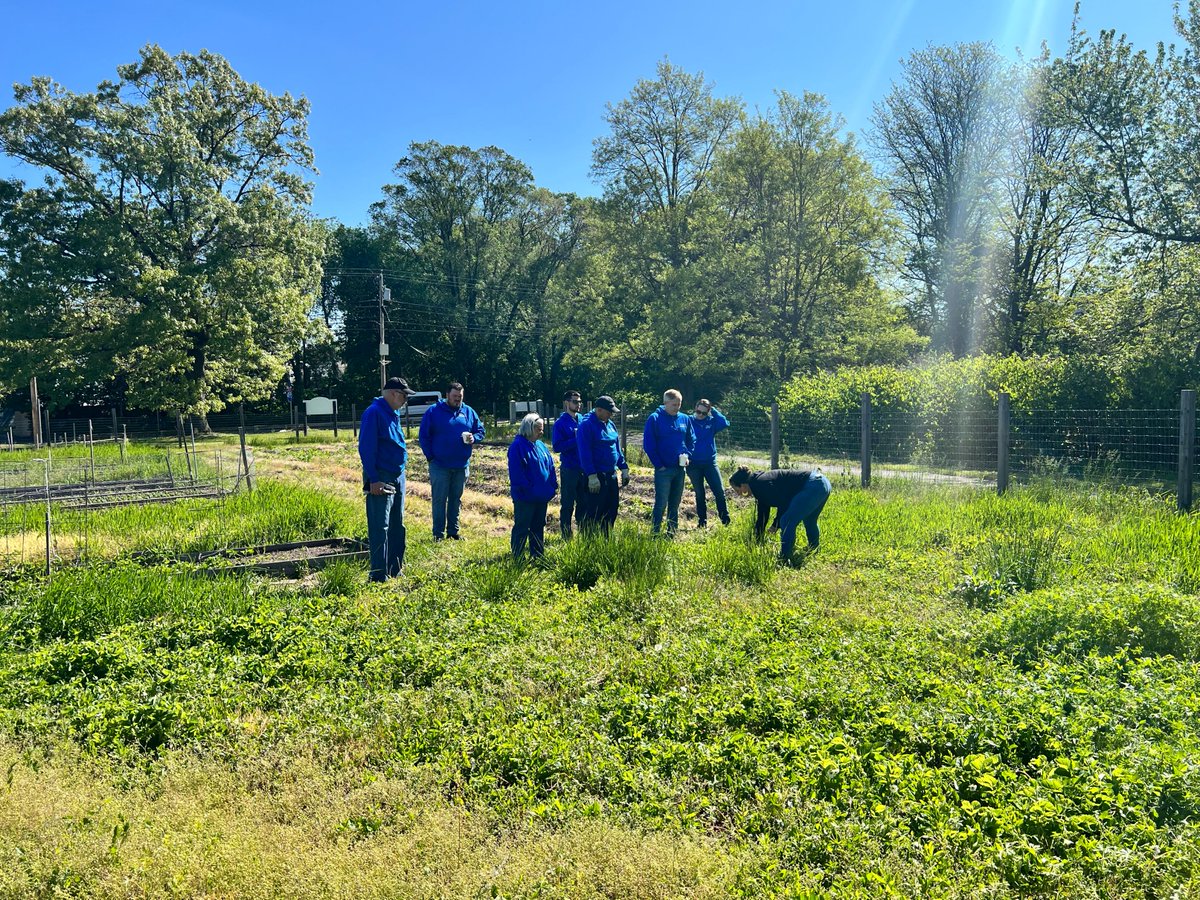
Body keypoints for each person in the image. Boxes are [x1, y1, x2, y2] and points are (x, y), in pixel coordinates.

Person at [358, 376, 417, 582]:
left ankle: (395, 568)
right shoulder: (374, 413)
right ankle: (378, 574)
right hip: (381, 477)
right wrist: (373, 479)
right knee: (379, 526)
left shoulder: (393, 413)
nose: (405, 400)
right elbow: (366, 449)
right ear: (393, 393)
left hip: (397, 475)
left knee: (396, 524)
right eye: (404, 396)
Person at [418, 381, 485, 541]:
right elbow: (424, 436)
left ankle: (453, 532)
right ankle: (438, 534)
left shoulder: (468, 412)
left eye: (460, 397)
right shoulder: (434, 411)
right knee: (439, 500)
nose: (457, 400)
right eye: (455, 396)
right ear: (447, 395)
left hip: (461, 465)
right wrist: (431, 456)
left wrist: (473, 438)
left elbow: (480, 430)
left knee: (456, 499)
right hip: (439, 465)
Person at [730, 465, 832, 563]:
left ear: (743, 485)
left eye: (737, 490)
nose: (738, 493)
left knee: (786, 521)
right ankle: (814, 549)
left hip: (813, 486)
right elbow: (763, 515)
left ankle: (784, 558)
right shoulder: (757, 483)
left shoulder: (761, 484)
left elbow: (784, 502)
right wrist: (757, 539)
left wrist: (776, 524)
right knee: (810, 520)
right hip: (822, 483)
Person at [642, 389, 696, 536]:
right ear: (665, 403)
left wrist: (688, 454)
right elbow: (649, 445)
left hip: (680, 468)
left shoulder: (685, 419)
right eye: (674, 404)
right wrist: (659, 465)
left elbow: (692, 439)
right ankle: (655, 532)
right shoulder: (655, 419)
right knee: (661, 503)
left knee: (675, 503)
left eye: (679, 404)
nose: (677, 407)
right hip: (663, 470)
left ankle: (671, 532)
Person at [576, 395, 630, 535]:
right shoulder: (586, 426)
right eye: (609, 412)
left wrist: (623, 468)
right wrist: (592, 476)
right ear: (599, 410)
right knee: (594, 512)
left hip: (611, 475)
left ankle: (606, 540)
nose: (611, 414)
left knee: (611, 509)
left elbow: (616, 449)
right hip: (596, 476)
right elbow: (585, 453)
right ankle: (589, 543)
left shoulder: (610, 424)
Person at [507, 413, 558, 560]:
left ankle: (538, 556)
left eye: (542, 429)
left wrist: (552, 485)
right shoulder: (517, 447)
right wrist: (528, 489)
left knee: (538, 526)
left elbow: (550, 465)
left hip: (541, 495)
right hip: (525, 496)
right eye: (538, 429)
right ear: (529, 428)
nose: (541, 432)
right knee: (522, 527)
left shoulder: (540, 445)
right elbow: (517, 473)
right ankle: (518, 557)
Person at [687, 398, 731, 527]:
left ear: (708, 412)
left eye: (704, 413)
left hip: (710, 463)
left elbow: (725, 423)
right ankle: (702, 521)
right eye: (698, 411)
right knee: (700, 493)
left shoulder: (711, 422)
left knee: (719, 491)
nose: (700, 415)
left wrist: (714, 411)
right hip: (693, 464)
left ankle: (725, 519)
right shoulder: (689, 420)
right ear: (695, 409)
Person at [551, 390, 584, 539]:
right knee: (568, 503)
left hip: (584, 468)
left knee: (583, 502)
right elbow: (557, 446)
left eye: (579, 401)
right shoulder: (560, 423)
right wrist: (575, 440)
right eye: (575, 401)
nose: (578, 404)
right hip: (570, 468)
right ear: (566, 403)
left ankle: (584, 531)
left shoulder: (582, 419)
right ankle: (566, 534)